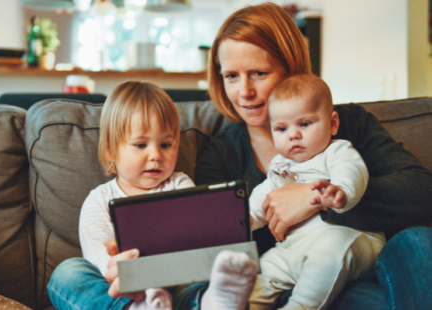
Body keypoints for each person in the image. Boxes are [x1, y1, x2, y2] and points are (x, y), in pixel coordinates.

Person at [193, 2, 432, 309]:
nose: (244, 92)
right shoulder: (220, 155)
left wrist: (313, 198)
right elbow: (216, 248)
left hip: (365, 266)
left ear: (291, 68)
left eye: (259, 73)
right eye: (231, 76)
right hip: (285, 284)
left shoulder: (348, 125)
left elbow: (422, 191)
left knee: (419, 242)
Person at [47, 80, 257, 310]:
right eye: (140, 145)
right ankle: (134, 308)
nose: (155, 155)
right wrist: (127, 271)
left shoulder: (180, 185)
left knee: (207, 275)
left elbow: (194, 241)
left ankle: (212, 303)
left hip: (177, 286)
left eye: (166, 144)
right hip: (126, 290)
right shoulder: (98, 200)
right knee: (68, 272)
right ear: (110, 149)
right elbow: (101, 262)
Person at [245, 74, 385, 310]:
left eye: (305, 124)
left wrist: (341, 190)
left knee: (329, 250)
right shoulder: (279, 165)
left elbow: (352, 170)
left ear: (332, 123)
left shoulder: (337, 151)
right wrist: (244, 219)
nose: (293, 135)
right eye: (281, 128)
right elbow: (265, 196)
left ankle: (300, 306)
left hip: (349, 241)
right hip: (293, 249)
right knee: (259, 274)